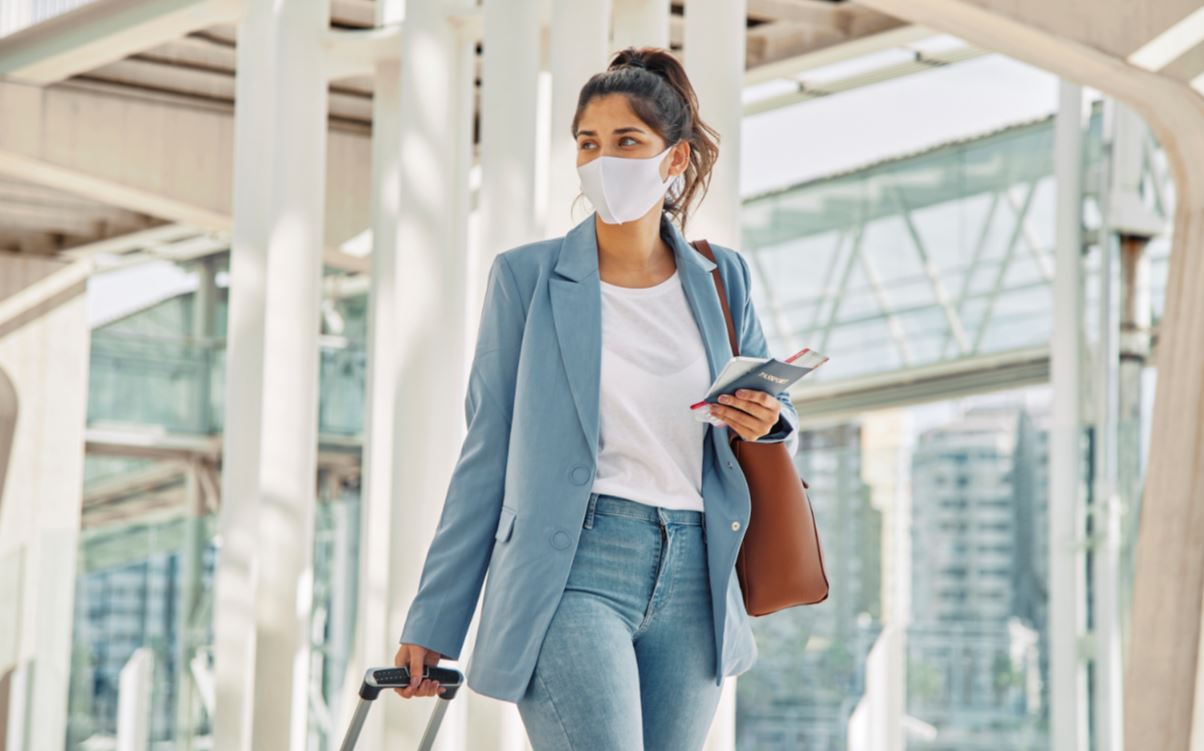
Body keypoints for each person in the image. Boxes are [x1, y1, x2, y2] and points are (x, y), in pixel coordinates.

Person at [392, 45, 800, 750]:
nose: (602, 159)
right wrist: (434, 619)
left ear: (673, 159)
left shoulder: (721, 277)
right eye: (589, 142)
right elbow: (487, 452)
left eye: (626, 142)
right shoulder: (527, 278)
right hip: (572, 568)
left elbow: (770, 425)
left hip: (697, 576)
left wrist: (767, 420)